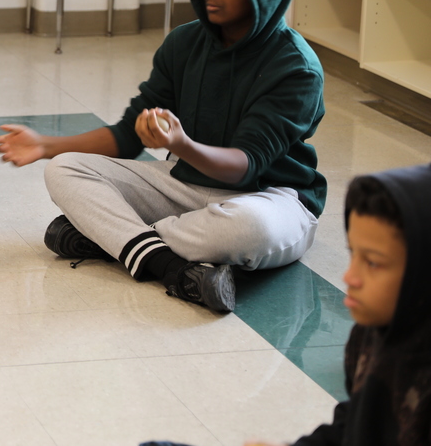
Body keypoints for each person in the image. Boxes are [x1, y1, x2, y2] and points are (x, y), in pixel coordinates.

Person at [0, 0, 326, 313]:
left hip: (267, 196)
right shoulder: (184, 42)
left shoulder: (297, 68)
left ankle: (113, 238)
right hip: (185, 184)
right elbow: (126, 136)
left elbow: (245, 166)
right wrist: (45, 145)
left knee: (249, 229)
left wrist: (180, 145)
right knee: (64, 169)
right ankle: (165, 263)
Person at [143, 163, 431, 446]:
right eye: (353, 254)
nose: (350, 276)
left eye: (373, 263)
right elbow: (350, 428)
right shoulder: (371, 334)